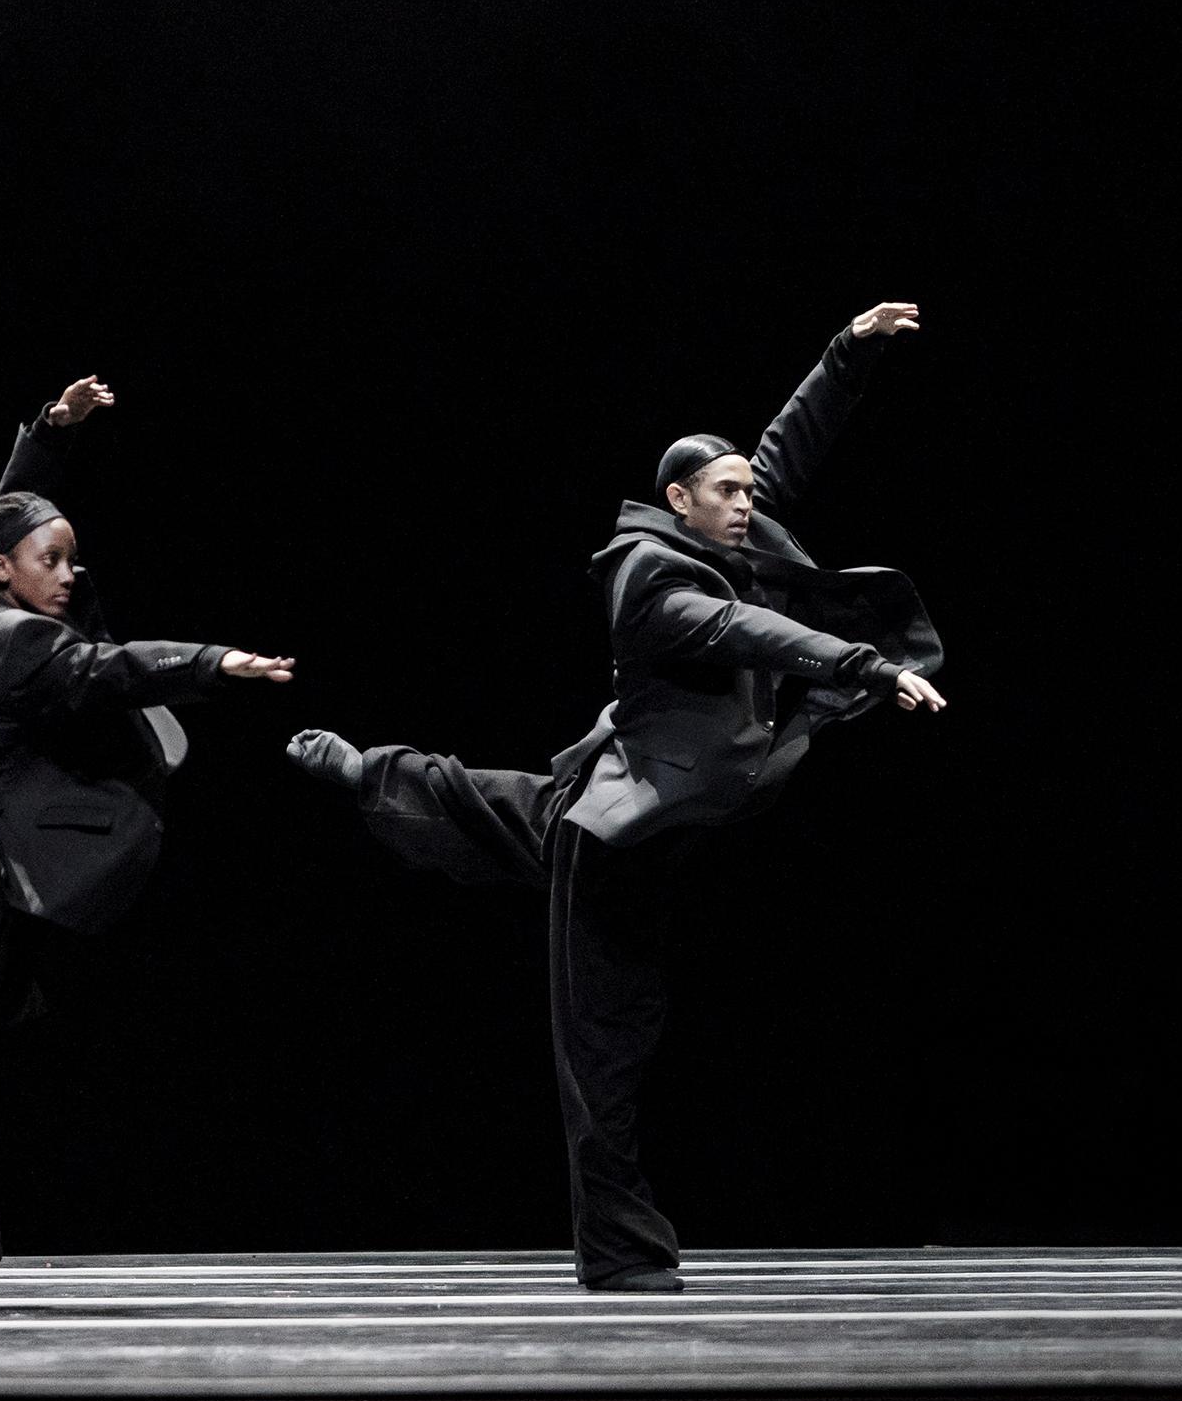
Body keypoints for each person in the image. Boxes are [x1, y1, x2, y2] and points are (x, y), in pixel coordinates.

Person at [289, 304, 945, 1291]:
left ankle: (367, 773)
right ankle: (623, 1253)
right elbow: (742, 633)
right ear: (682, 500)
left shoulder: (727, 527)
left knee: (507, 806)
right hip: (623, 838)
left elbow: (782, 450)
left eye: (745, 490)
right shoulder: (653, 584)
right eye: (726, 491)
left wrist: (844, 355)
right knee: (603, 1042)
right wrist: (864, 663)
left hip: (622, 788)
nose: (747, 500)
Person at [0, 373, 296, 1312]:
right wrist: (214, 663)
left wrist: (47, 435)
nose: (71, 574)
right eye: (53, 559)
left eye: (74, 557)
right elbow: (101, 668)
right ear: (6, 570)